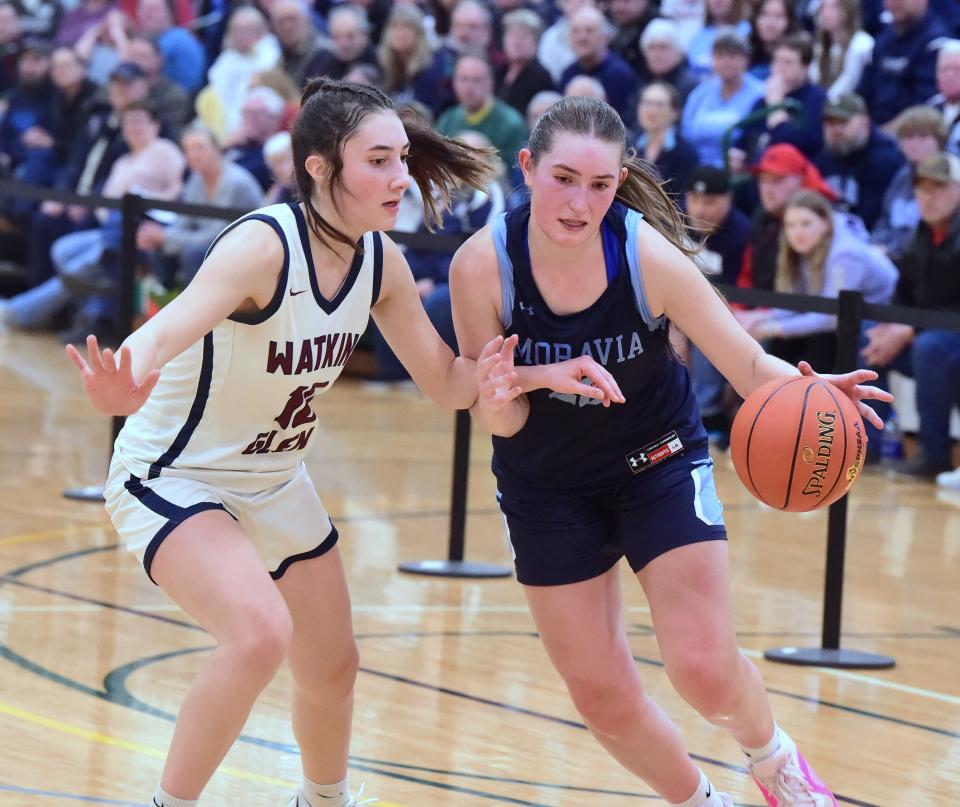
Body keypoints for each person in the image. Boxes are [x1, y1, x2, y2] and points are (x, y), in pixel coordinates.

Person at [59, 78, 615, 807]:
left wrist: (542, 373)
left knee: (332, 663)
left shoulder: (378, 260)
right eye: (378, 161)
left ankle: (324, 801)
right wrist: (124, 374)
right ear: (321, 168)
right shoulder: (263, 245)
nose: (399, 178)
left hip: (274, 478)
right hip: (175, 474)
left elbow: (448, 383)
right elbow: (173, 322)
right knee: (259, 634)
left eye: (401, 159)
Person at [448, 95, 889, 807]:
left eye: (598, 184)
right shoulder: (482, 265)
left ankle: (775, 761)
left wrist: (814, 387)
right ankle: (698, 799)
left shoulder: (645, 253)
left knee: (704, 667)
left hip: (655, 458)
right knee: (599, 693)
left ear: (619, 182)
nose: (578, 202)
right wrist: (502, 395)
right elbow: (493, 408)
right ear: (528, 169)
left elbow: (746, 367)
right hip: (544, 484)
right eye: (563, 178)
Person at [862, 151, 960, 480]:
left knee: (929, 349)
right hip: (927, 335)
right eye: (921, 189)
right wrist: (890, 327)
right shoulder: (921, 233)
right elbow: (903, 293)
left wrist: (909, 330)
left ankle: (935, 455)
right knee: (868, 336)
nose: (927, 198)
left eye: (937, 188)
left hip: (947, 341)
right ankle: (864, 446)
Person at [742, 189, 898, 370]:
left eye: (806, 224)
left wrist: (770, 328)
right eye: (790, 225)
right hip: (850, 317)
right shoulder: (806, 247)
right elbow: (798, 303)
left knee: (819, 342)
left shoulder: (845, 254)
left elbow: (831, 317)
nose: (797, 233)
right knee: (788, 342)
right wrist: (759, 317)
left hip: (883, 319)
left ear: (825, 223)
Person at [815, 92, 905, 229]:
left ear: (865, 122)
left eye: (843, 122)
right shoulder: (826, 156)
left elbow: (871, 221)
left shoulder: (885, 160)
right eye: (830, 123)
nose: (836, 130)